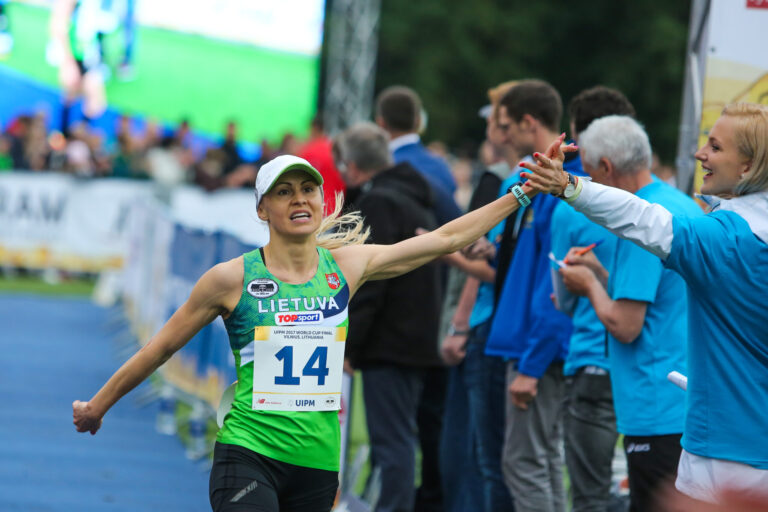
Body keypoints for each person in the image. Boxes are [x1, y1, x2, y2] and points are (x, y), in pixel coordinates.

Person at [72, 145, 556, 511]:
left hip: (318, 464)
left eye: (307, 189)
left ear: (322, 202)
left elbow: (447, 237)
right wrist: (98, 406)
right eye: (283, 192)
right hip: (249, 450)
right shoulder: (230, 279)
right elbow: (158, 349)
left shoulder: (347, 266)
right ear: (262, 209)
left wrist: (520, 193)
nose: (299, 199)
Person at [521, 102, 768, 506]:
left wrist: (569, 185)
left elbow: (643, 219)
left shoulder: (726, 239)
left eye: (715, 147)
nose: (700, 154)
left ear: (748, 166)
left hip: (723, 453)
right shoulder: (727, 231)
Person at [556, 115, 702, 511]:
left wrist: (588, 286)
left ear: (606, 168)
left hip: (654, 402)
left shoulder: (642, 220)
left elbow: (626, 324)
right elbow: (659, 297)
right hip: (687, 395)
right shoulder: (679, 203)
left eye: (590, 177)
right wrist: (601, 275)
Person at [334, 122, 444, 512]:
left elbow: (370, 281)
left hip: (391, 341)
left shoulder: (379, 203)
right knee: (397, 439)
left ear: (351, 166)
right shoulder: (417, 197)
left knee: (392, 441)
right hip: (414, 335)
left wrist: (349, 345)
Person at [484, 79, 582, 512]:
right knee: (540, 461)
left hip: (536, 348)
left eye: (506, 127)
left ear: (528, 122)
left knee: (525, 463)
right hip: (530, 344)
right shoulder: (543, 187)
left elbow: (557, 282)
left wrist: (533, 362)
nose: (502, 137)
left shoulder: (560, 191)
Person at [552, 85, 636, 512]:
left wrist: (587, 283)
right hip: (649, 368)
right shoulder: (662, 206)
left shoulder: (570, 206)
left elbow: (562, 295)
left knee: (589, 495)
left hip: (593, 357)